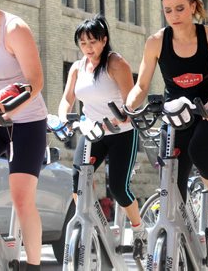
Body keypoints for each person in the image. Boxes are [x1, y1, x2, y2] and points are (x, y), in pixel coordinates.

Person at [125, 0, 208, 233]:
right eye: (168, 10)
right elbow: (141, 86)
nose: (174, 15)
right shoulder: (155, 42)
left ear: (193, 6)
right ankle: (181, 241)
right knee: (171, 179)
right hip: (176, 116)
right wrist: (126, 108)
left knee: (199, 150)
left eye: (180, 8)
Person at [58, 15, 147, 253]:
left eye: (93, 42)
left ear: (104, 40)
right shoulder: (77, 68)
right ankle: (90, 224)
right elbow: (67, 100)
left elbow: (131, 103)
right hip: (93, 132)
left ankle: (138, 228)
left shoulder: (116, 63)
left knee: (118, 187)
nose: (88, 48)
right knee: (78, 182)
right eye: (83, 43)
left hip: (121, 132)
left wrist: (121, 116)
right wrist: (64, 119)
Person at [0, 9, 48, 270]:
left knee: (21, 197)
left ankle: (33, 265)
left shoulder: (14, 29)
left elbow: (35, 81)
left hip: (26, 120)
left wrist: (5, 110)